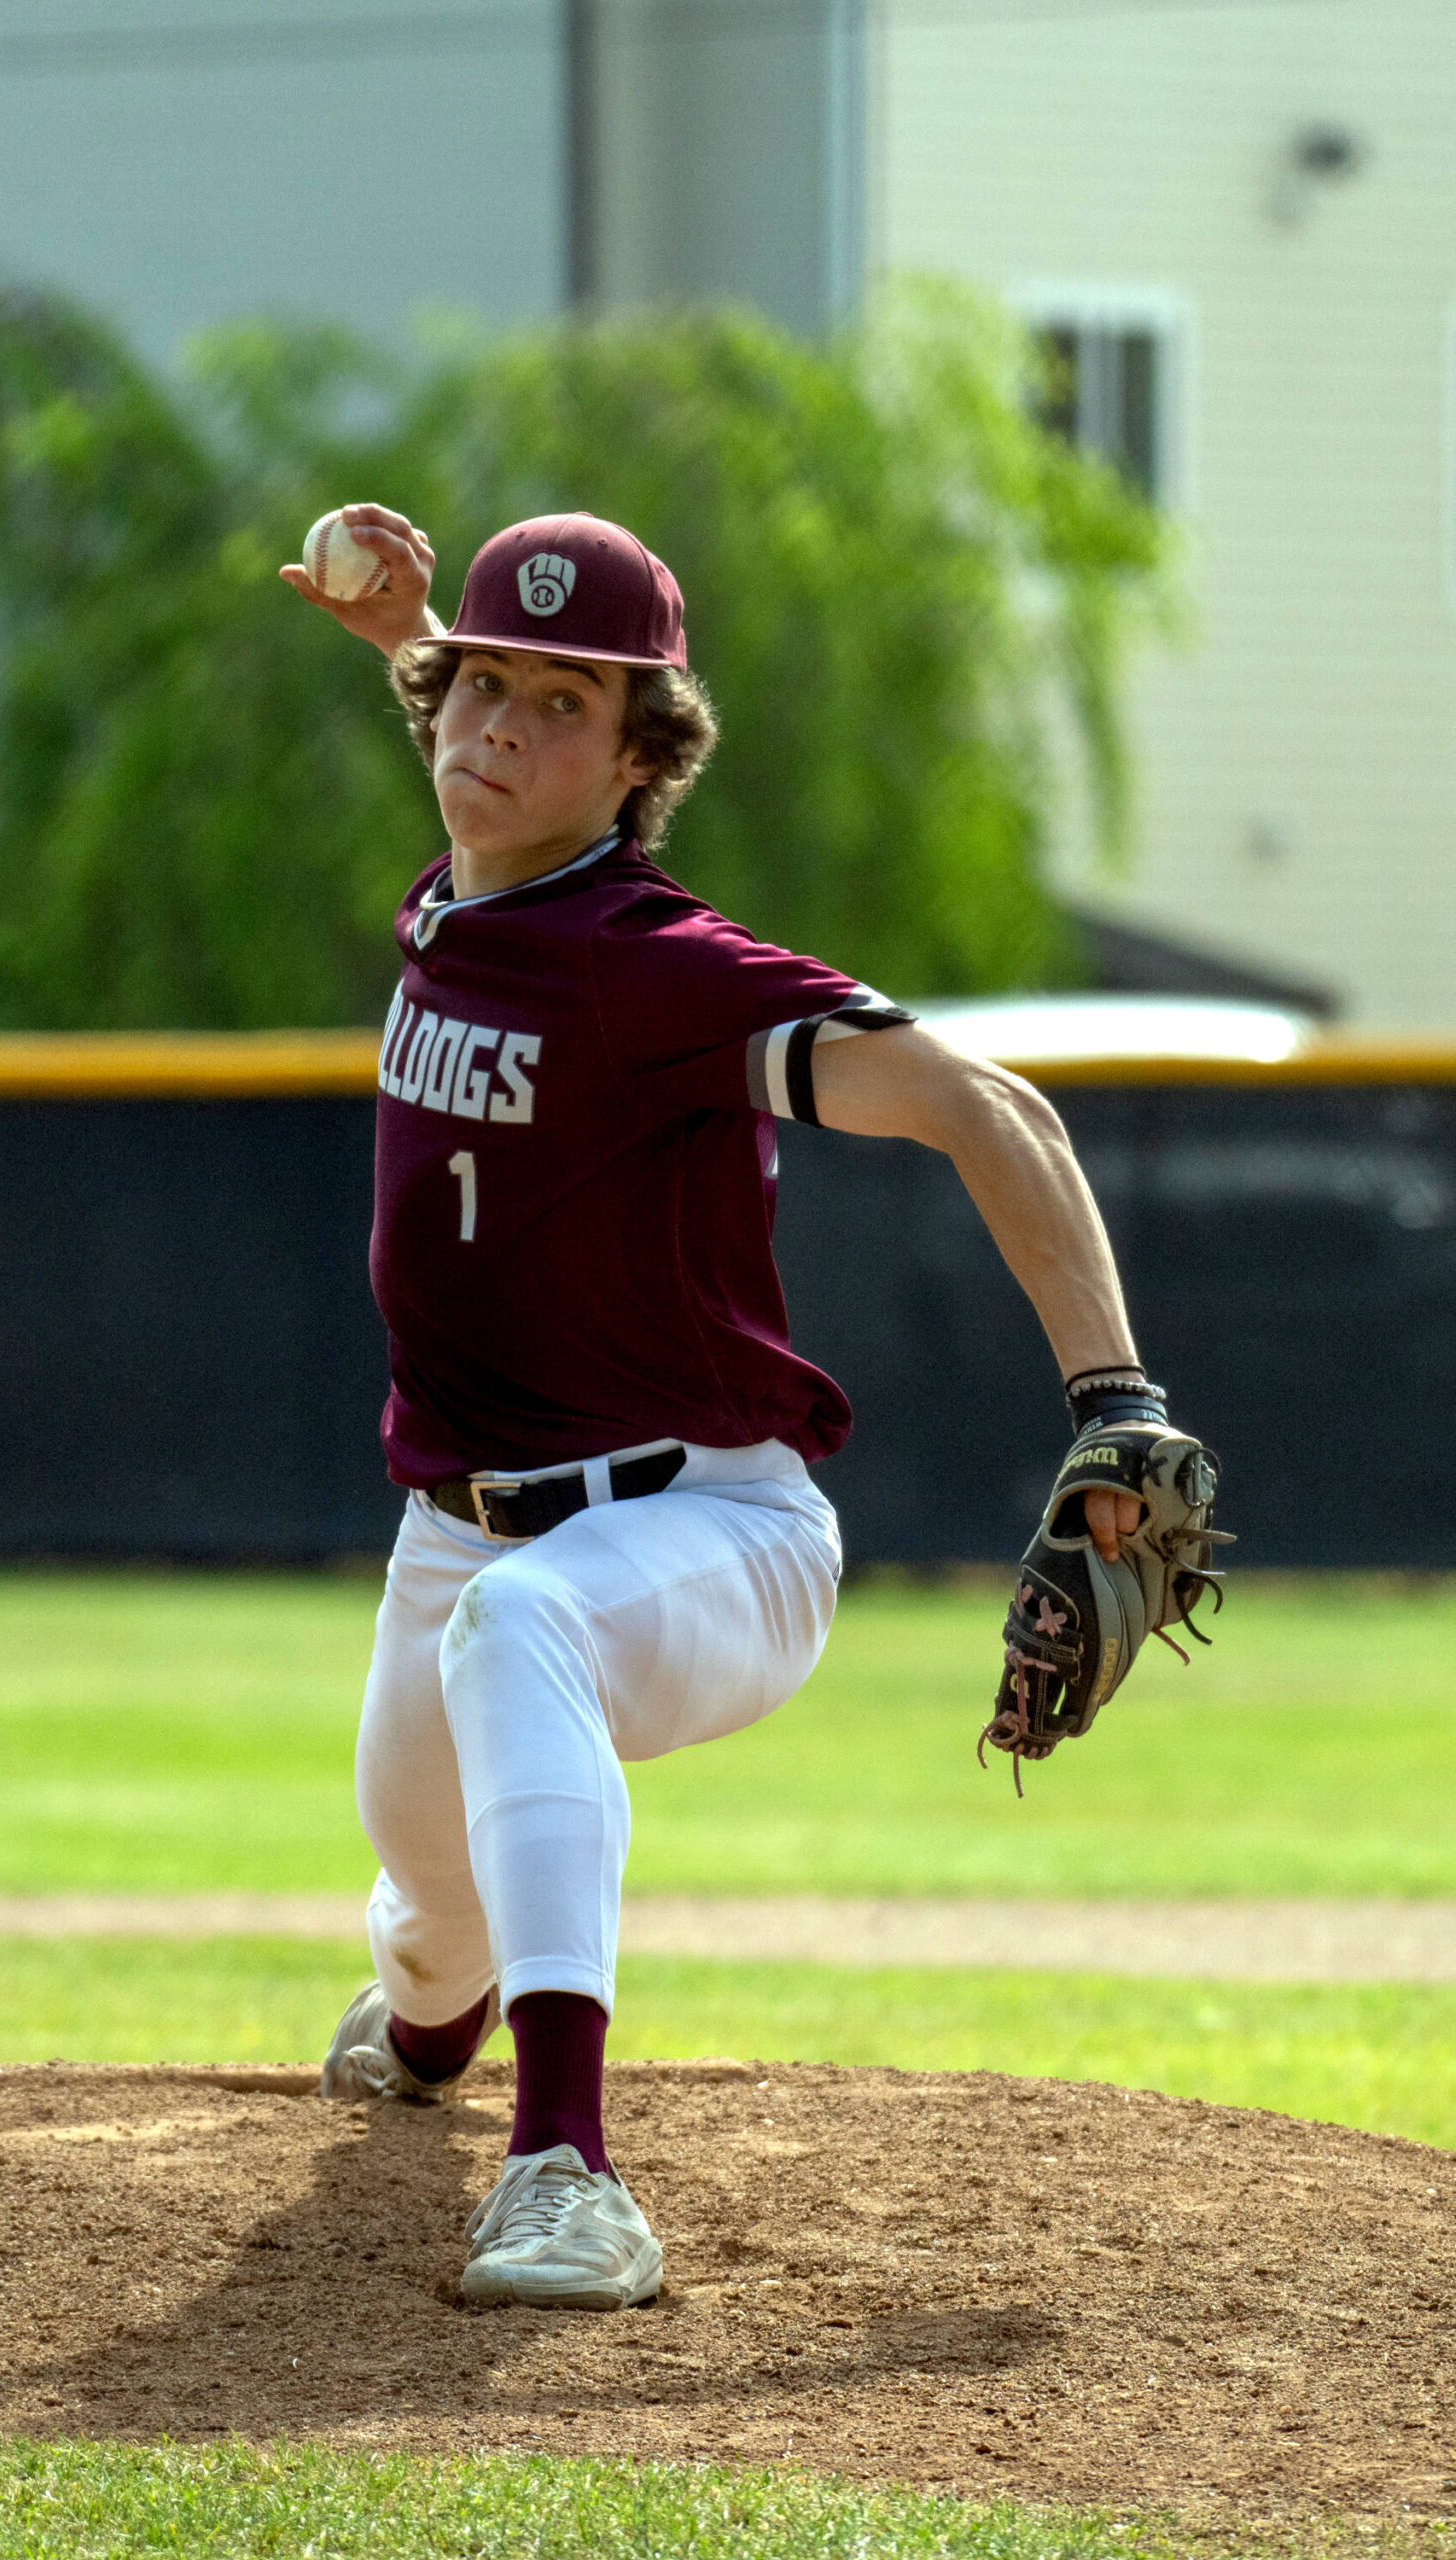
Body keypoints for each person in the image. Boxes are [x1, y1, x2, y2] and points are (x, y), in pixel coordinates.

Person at [279, 507, 1150, 2312]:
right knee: (428, 1922)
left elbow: (991, 1108)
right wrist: (412, 641)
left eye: (566, 706)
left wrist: (1117, 1398)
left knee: (528, 1631)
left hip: (707, 1525)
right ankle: (438, 2023)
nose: (501, 728)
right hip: (454, 1526)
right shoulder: (464, 882)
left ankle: (568, 2173)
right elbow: (482, 740)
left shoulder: (651, 961)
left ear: (640, 760)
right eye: (484, 688)